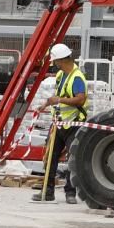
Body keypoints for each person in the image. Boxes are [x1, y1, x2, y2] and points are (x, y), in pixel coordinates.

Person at [33, 42, 88, 203]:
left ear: (61, 60)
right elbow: (58, 96)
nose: (55, 65)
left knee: (72, 159)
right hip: (59, 123)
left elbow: (80, 99)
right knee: (51, 156)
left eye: (55, 62)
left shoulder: (77, 77)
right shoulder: (60, 75)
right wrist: (47, 104)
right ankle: (47, 191)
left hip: (73, 125)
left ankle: (70, 193)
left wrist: (59, 100)